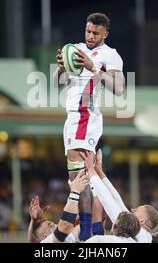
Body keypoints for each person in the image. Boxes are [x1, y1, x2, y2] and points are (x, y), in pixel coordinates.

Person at [53, 12, 125, 241]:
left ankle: (86, 231)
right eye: (88, 31)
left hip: (86, 116)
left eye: (95, 32)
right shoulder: (74, 49)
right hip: (72, 118)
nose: (90, 36)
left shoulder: (110, 55)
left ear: (105, 34)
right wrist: (61, 68)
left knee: (80, 176)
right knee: (83, 176)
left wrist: (95, 68)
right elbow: (55, 85)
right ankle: (94, 228)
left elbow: (120, 89)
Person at [80, 149, 158, 243]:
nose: (132, 209)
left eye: (136, 210)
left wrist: (90, 169)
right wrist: (99, 170)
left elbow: (108, 202)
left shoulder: (139, 234)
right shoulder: (143, 236)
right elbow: (117, 201)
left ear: (141, 221)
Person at [27, 171, 89, 243]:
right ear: (45, 237)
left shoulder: (67, 238)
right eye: (49, 225)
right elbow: (65, 226)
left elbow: (81, 227)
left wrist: (33, 220)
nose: (54, 224)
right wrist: (75, 191)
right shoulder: (48, 242)